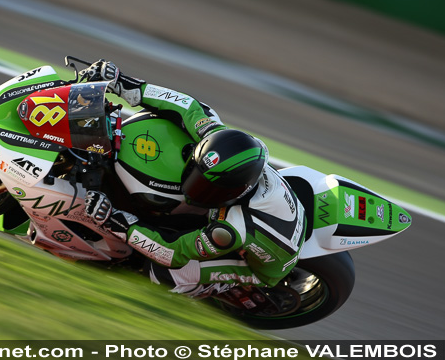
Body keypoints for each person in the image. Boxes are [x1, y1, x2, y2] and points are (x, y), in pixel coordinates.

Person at [80, 60, 306, 300]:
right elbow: (189, 107)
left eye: (208, 188)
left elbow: (173, 252)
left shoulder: (230, 230)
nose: (194, 188)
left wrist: (118, 223)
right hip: (278, 211)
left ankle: (227, 292)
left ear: (236, 192)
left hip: (264, 266)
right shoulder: (221, 141)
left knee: (161, 273)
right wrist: (125, 84)